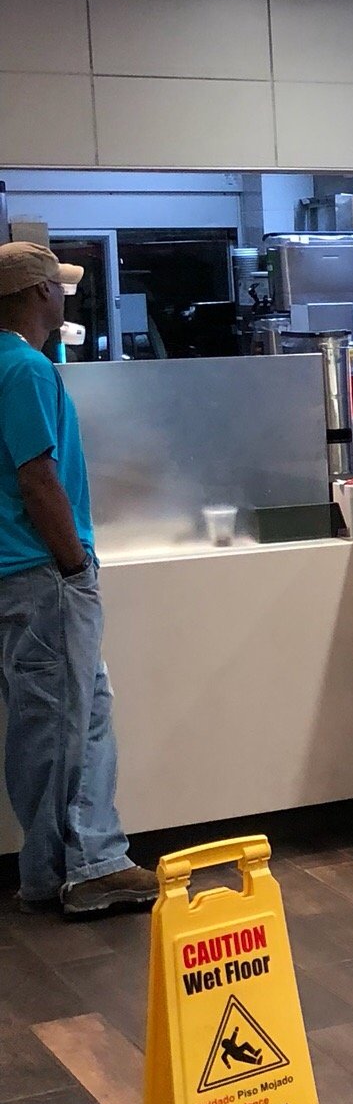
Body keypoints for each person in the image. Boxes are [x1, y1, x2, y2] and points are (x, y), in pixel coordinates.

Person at [0, 243, 157, 917]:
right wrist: (73, 562)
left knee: (73, 714)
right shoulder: (25, 369)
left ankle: (77, 861)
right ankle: (81, 869)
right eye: (58, 286)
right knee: (63, 722)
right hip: (43, 575)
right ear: (40, 292)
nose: (65, 295)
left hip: (16, 573)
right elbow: (38, 477)